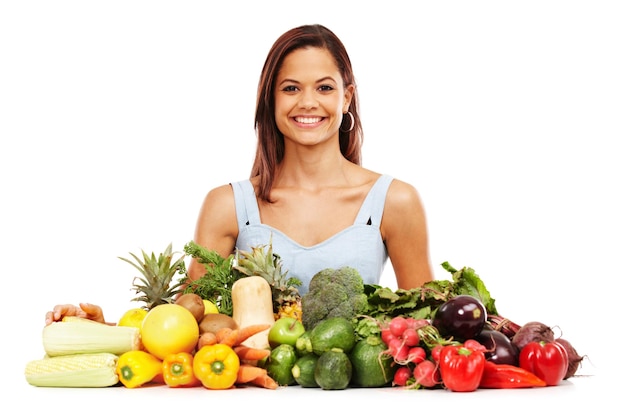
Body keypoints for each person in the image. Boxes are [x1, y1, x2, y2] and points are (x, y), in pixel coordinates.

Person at [45, 24, 434, 325]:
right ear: (271, 99)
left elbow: (427, 321)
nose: (308, 102)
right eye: (291, 88)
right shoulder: (228, 205)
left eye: (325, 87)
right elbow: (187, 321)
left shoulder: (394, 201)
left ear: (346, 97)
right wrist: (109, 329)